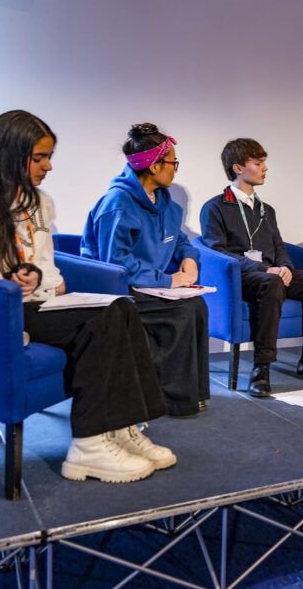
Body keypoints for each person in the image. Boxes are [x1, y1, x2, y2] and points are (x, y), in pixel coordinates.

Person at [0, 110, 175, 484]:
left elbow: (43, 264)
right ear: (10, 154)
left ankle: (121, 427)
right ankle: (88, 445)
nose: (49, 166)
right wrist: (26, 284)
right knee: (101, 319)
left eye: (48, 156)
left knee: (121, 307)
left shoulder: (39, 202)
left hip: (32, 302)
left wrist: (44, 280)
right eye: (39, 158)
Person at [81, 123, 210, 417]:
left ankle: (193, 392)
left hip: (148, 286)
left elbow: (179, 240)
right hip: (117, 290)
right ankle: (168, 398)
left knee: (198, 305)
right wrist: (168, 279)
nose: (176, 169)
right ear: (152, 167)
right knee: (182, 312)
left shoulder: (164, 202)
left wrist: (189, 259)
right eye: (172, 162)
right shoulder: (118, 204)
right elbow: (116, 262)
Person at [200, 138, 303, 398]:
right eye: (258, 163)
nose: (265, 168)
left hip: (271, 275)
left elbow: (279, 248)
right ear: (238, 168)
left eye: (264, 162)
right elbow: (216, 251)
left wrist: (286, 267)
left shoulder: (267, 210)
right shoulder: (215, 208)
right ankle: (261, 369)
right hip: (242, 278)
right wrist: (264, 270)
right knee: (273, 282)